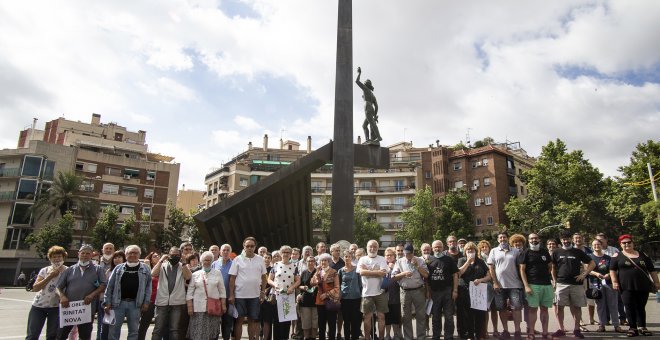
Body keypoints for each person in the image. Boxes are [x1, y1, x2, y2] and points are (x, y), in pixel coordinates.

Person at [610, 234, 660, 337]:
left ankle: (642, 327)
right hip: (625, 286)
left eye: (629, 242)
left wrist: (656, 282)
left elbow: (652, 270)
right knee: (629, 307)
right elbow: (612, 270)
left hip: (642, 285)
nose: (627, 244)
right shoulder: (617, 256)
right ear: (620, 244)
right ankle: (632, 328)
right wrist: (614, 282)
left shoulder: (643, 255)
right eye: (624, 243)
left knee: (641, 306)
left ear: (633, 243)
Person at [56, 244, 107, 340]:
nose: (85, 255)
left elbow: (103, 285)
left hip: (86, 309)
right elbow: (58, 287)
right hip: (69, 309)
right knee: (61, 335)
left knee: (84, 336)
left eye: (88, 253)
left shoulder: (98, 269)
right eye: (82, 253)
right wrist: (62, 296)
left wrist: (92, 295)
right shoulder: (70, 270)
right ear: (78, 254)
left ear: (92, 255)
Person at [551, 230, 595, 339]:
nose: (565, 241)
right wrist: (554, 280)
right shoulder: (556, 252)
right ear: (561, 240)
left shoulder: (578, 252)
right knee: (559, 307)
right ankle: (561, 329)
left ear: (571, 239)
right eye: (563, 239)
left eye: (567, 239)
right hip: (561, 284)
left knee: (577, 307)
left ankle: (577, 329)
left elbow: (592, 263)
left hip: (577, 284)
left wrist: (584, 274)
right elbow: (552, 267)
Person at [103, 245, 151, 340]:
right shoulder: (118, 268)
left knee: (133, 331)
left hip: (135, 304)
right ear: (126, 254)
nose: (133, 255)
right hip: (117, 304)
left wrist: (146, 302)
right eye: (130, 253)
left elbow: (148, 287)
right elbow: (110, 287)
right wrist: (107, 302)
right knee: (114, 330)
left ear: (139, 254)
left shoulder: (146, 269)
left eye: (135, 253)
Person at [228, 236, 268, 340]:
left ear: (255, 247)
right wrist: (232, 295)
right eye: (247, 246)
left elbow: (264, 277)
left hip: (255, 296)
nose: (249, 248)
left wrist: (263, 292)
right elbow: (232, 278)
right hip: (239, 295)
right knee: (239, 321)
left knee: (252, 320)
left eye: (252, 246)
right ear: (244, 247)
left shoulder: (260, 259)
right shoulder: (237, 259)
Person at [151, 246, 193, 340]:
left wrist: (183, 262)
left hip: (177, 303)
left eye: (177, 255)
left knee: (174, 329)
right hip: (162, 302)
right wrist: (161, 260)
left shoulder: (182, 266)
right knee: (158, 329)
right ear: (168, 255)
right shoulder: (163, 265)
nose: (174, 257)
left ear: (180, 255)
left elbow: (188, 277)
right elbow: (153, 273)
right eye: (172, 255)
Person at [26, 246, 67, 340]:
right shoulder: (44, 270)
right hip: (39, 306)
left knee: (52, 335)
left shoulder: (68, 271)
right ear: (50, 258)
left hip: (56, 307)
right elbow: (35, 288)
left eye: (59, 256)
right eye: (54, 257)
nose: (57, 259)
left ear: (63, 257)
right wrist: (49, 276)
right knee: (32, 335)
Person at [488, 232, 524, 340]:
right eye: (500, 237)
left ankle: (517, 331)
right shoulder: (493, 251)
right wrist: (495, 282)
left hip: (515, 284)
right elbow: (491, 268)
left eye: (504, 237)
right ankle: (506, 330)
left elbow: (521, 267)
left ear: (507, 239)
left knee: (516, 308)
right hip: (499, 286)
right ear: (498, 240)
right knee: (501, 309)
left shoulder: (516, 251)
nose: (502, 239)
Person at [518, 233, 553, 340]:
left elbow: (550, 266)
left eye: (536, 238)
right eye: (532, 238)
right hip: (533, 285)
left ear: (539, 239)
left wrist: (545, 278)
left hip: (546, 285)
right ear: (528, 241)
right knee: (532, 310)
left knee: (544, 310)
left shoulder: (544, 251)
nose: (534, 240)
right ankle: (531, 332)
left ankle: (545, 332)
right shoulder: (525, 253)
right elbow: (522, 270)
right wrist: (526, 286)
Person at [186, 251, 226, 340]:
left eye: (209, 260)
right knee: (198, 332)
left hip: (213, 308)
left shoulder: (217, 273)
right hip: (198, 308)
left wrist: (223, 305)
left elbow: (222, 290)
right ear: (201, 261)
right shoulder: (195, 274)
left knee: (212, 333)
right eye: (205, 260)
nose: (207, 262)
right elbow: (190, 292)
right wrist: (190, 307)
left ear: (212, 261)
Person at [391, 243, 429, 340]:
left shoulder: (420, 260)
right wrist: (403, 274)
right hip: (405, 291)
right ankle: (408, 337)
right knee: (405, 316)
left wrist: (417, 266)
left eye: (409, 254)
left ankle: (421, 337)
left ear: (413, 252)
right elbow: (393, 277)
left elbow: (426, 275)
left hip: (418, 290)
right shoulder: (399, 261)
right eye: (406, 254)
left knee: (420, 315)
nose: (408, 256)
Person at [457, 242, 491, 340]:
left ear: (476, 251)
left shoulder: (480, 262)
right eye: (468, 250)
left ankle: (479, 335)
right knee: (467, 315)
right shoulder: (461, 260)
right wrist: (468, 262)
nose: (470, 251)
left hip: (478, 292)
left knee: (480, 315)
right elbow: (458, 273)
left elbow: (488, 276)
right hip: (465, 291)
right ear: (465, 251)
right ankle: (469, 335)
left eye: (472, 250)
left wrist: (480, 280)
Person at [588, 239, 623, 333]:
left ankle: (616, 325)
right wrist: (595, 273)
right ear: (592, 246)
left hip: (609, 283)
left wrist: (609, 274)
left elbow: (614, 269)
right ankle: (602, 325)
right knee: (600, 305)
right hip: (596, 284)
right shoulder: (589, 257)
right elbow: (587, 269)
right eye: (594, 245)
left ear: (601, 245)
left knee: (613, 304)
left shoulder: (608, 258)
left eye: (598, 244)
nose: (596, 246)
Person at [357, 240, 389, 340]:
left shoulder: (382, 259)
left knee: (381, 317)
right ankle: (367, 338)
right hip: (366, 293)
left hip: (380, 292)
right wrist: (376, 272)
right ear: (367, 247)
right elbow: (361, 272)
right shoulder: (362, 259)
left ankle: (381, 338)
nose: (372, 249)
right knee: (367, 318)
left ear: (378, 248)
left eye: (375, 247)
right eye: (370, 246)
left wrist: (368, 271)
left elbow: (383, 273)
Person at [428, 239, 459, 340]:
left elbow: (455, 275)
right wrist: (428, 291)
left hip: (447, 291)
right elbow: (426, 277)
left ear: (443, 248)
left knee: (449, 316)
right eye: (435, 247)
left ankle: (448, 336)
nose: (437, 248)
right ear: (432, 249)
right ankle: (436, 336)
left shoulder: (449, 259)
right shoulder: (428, 260)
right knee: (435, 316)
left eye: (439, 246)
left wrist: (455, 290)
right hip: (434, 292)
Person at [268, 245, 301, 340]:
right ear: (280, 253)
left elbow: (298, 280)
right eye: (284, 252)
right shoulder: (276, 265)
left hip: (288, 296)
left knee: (286, 321)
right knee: (277, 321)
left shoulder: (294, 266)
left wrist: (292, 287)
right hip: (277, 296)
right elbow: (269, 279)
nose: (285, 254)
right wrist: (275, 285)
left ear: (290, 254)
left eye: (288, 252)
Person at [312, 253, 340, 340]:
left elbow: (337, 287)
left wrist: (327, 294)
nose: (323, 262)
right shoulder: (318, 272)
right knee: (321, 324)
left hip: (330, 301)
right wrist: (316, 272)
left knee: (331, 323)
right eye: (321, 261)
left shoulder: (334, 272)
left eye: (325, 260)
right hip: (320, 301)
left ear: (329, 261)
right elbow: (312, 283)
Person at [211, 244, 234, 340]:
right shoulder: (214, 264)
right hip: (216, 297)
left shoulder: (234, 264)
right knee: (215, 322)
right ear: (220, 252)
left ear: (230, 252)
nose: (225, 252)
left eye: (227, 250)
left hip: (229, 297)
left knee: (227, 322)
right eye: (223, 250)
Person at [339, 250, 362, 340]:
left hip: (356, 298)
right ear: (343, 258)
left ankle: (355, 337)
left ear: (352, 258)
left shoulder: (357, 270)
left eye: (349, 256)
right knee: (346, 320)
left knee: (355, 320)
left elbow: (360, 284)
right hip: (345, 299)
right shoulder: (340, 271)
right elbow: (339, 284)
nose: (347, 258)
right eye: (345, 256)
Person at [477, 240, 497, 339]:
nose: (484, 248)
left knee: (494, 309)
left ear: (489, 247)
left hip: (495, 285)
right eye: (482, 247)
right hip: (484, 287)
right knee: (485, 310)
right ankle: (485, 330)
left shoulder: (493, 257)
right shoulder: (478, 260)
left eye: (486, 247)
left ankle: (495, 329)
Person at [138, 252, 160, 340]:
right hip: (150, 301)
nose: (157, 257)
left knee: (159, 327)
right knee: (144, 324)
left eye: (158, 256)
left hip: (160, 301)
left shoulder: (163, 269)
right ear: (150, 259)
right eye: (154, 256)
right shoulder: (146, 269)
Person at [355, 66, 381, 143]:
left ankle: (379, 137)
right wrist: (375, 115)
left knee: (372, 123)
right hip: (371, 108)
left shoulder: (365, 89)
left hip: (367, 106)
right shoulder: (373, 95)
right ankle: (367, 139)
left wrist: (359, 73)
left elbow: (357, 81)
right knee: (364, 125)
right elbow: (376, 106)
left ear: (366, 84)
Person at [97, 242, 115, 340]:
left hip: (109, 298)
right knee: (97, 324)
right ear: (102, 250)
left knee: (106, 325)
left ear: (114, 250)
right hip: (96, 296)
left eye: (110, 248)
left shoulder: (116, 263)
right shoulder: (96, 262)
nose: (108, 250)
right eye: (106, 248)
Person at [384, 247, 402, 340]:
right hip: (385, 295)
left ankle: (396, 334)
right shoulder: (382, 265)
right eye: (387, 255)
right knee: (387, 316)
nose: (389, 257)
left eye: (391, 255)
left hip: (396, 294)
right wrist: (388, 269)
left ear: (394, 256)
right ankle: (387, 334)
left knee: (395, 316)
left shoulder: (398, 264)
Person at [298, 256, 319, 340]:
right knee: (306, 322)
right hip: (305, 300)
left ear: (315, 262)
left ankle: (313, 337)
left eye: (312, 261)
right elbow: (299, 285)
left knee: (315, 321)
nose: (310, 262)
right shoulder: (303, 272)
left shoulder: (318, 272)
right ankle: (306, 337)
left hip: (316, 300)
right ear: (306, 262)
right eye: (309, 261)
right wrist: (304, 288)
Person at [328, 243, 345, 339]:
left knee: (340, 315)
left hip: (341, 292)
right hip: (329, 292)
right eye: (336, 250)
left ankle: (338, 333)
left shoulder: (343, 262)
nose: (338, 252)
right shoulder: (328, 263)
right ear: (331, 252)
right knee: (330, 315)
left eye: (339, 250)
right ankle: (330, 333)